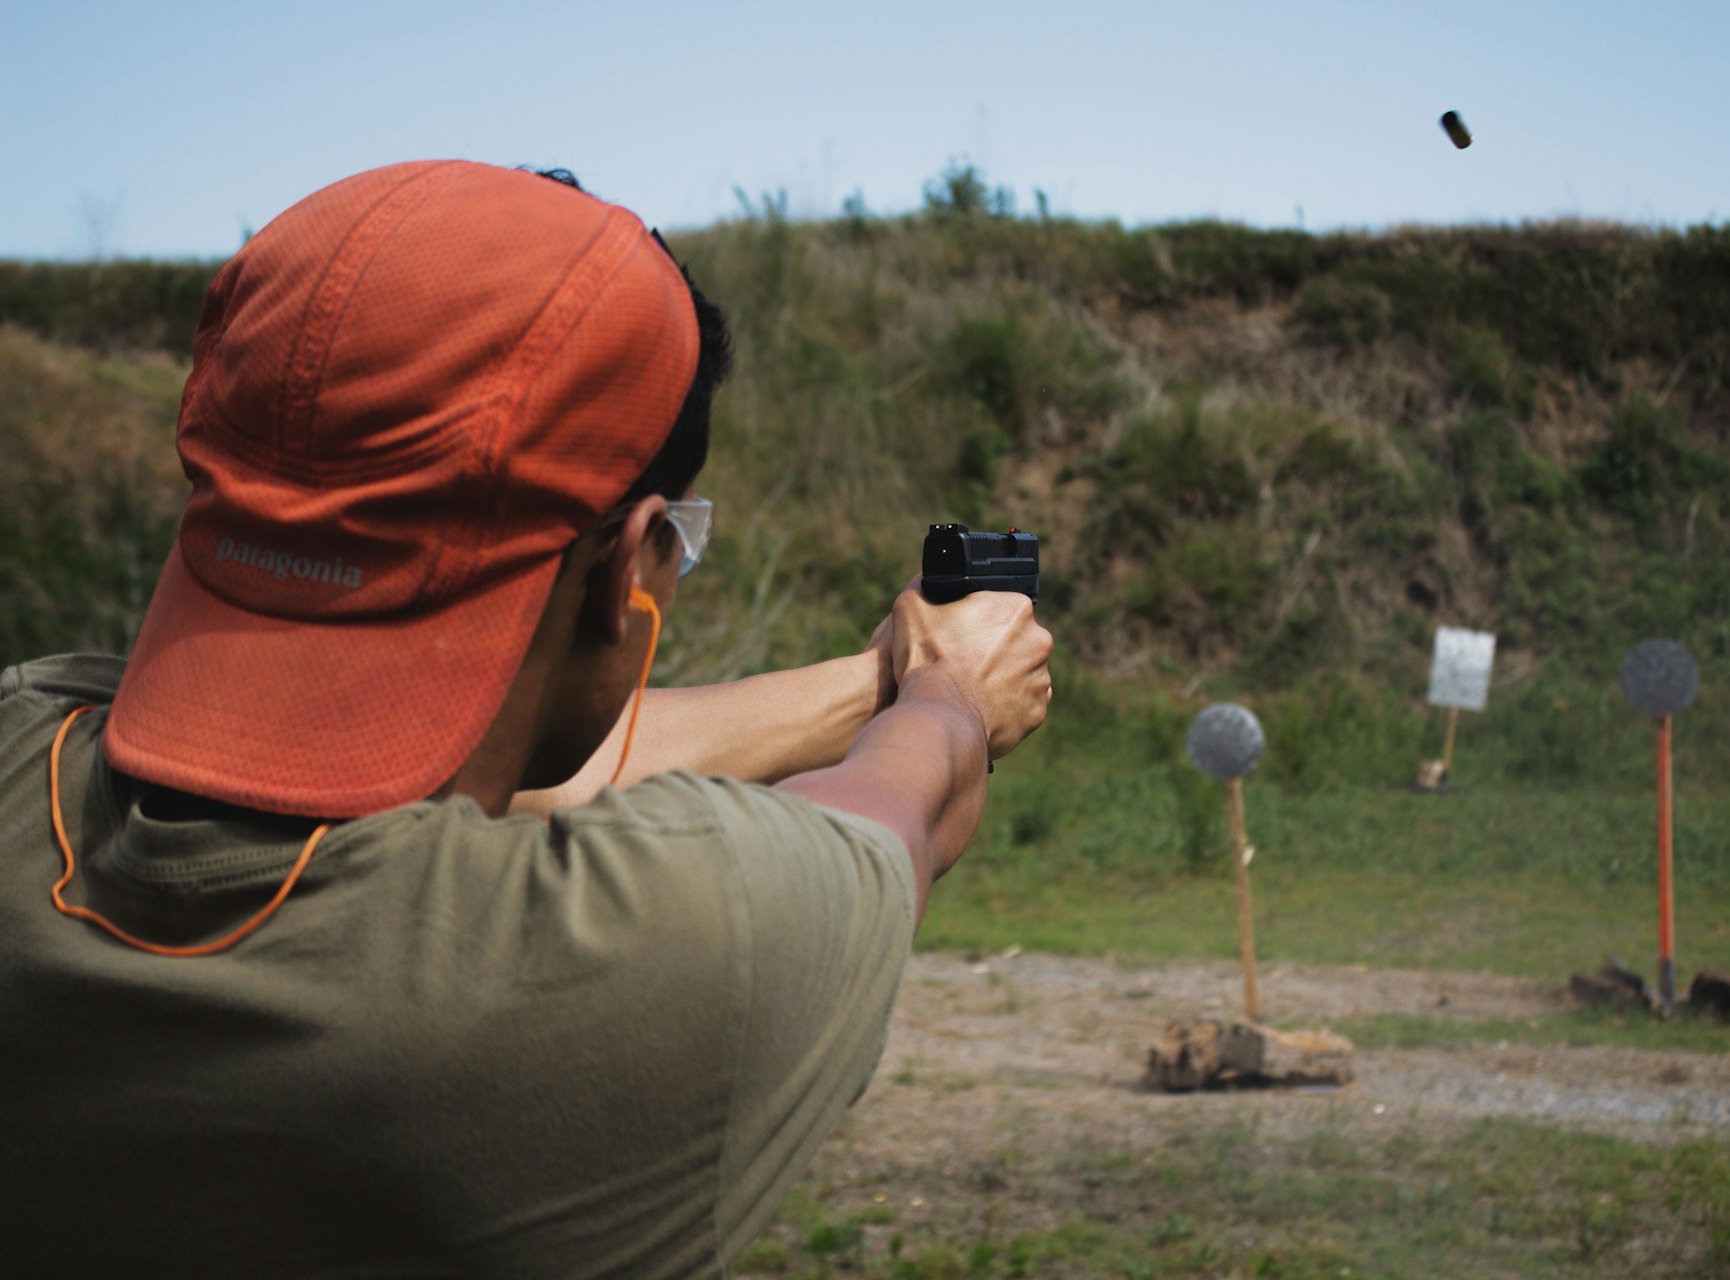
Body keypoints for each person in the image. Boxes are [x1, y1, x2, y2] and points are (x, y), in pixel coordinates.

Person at [0, 159, 1052, 1277]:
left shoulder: (24, 738)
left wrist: (875, 679)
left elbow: (511, 771)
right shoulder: (673, 944)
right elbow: (898, 811)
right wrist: (948, 694)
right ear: (629, 575)